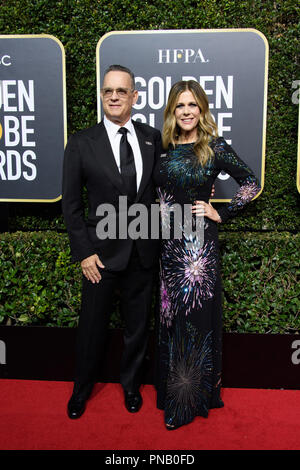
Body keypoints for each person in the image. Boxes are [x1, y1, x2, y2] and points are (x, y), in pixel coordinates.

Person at [153, 80, 261, 430]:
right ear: (172, 110)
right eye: (180, 105)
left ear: (202, 110)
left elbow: (251, 182)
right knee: (171, 319)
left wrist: (221, 212)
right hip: (168, 246)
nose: (186, 111)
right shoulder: (165, 147)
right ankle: (171, 392)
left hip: (198, 250)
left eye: (193, 105)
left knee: (194, 322)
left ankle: (187, 403)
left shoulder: (213, 147)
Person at [62, 64, 162, 419]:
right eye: (108, 91)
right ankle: (81, 391)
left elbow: (164, 186)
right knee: (91, 328)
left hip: (142, 252)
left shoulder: (152, 137)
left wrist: (202, 189)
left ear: (135, 96)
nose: (115, 96)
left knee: (137, 327)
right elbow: (71, 205)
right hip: (100, 257)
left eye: (122, 91)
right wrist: (84, 253)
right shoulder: (81, 142)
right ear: (102, 96)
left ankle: (132, 387)